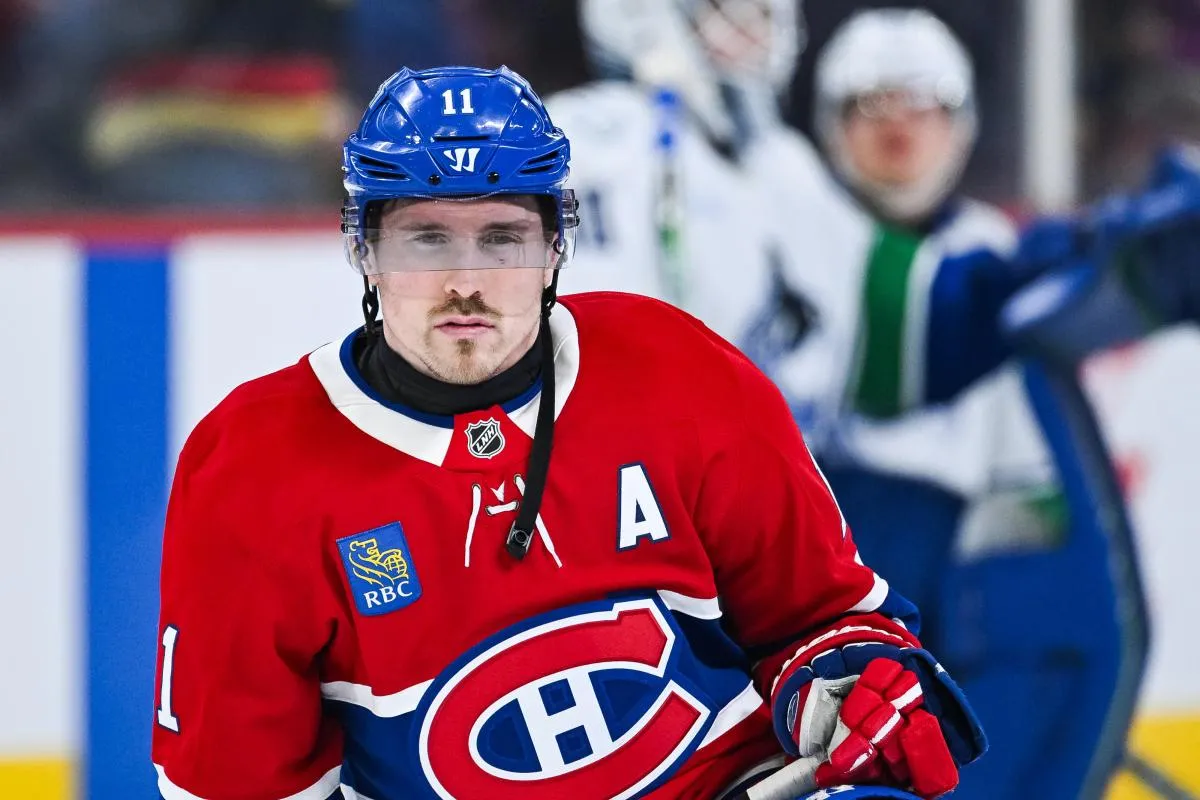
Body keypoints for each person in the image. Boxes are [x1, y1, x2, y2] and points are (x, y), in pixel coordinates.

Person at [150, 65, 984, 800]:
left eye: (503, 238)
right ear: (363, 250)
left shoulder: (677, 372)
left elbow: (826, 616)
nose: (465, 283)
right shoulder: (254, 469)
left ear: (556, 247)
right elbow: (235, 786)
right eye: (426, 239)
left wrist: (854, 688)